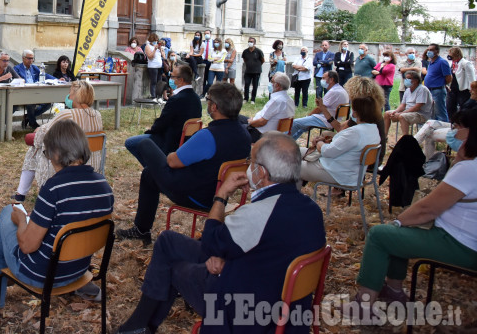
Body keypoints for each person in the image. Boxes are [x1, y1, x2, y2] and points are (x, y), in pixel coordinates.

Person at [115, 133, 326, 334]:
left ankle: (138, 325)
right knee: (167, 241)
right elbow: (268, 249)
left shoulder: (260, 213)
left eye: (250, 161)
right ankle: (140, 325)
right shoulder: (312, 209)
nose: (248, 166)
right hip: (278, 299)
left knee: (173, 267)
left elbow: (210, 243)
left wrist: (222, 194)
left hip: (241, 307)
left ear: (261, 173)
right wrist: (224, 254)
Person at [0, 120, 114, 323]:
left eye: (46, 153)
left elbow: (28, 245)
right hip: (79, 270)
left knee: (6, 213)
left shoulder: (54, 189)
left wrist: (21, 221)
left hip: (42, 275)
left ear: (55, 153)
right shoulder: (104, 185)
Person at [354, 108, 477, 311]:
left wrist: (400, 220)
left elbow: (428, 209)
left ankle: (363, 305)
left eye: (457, 128)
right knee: (399, 233)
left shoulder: (468, 169)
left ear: (471, 132)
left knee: (379, 235)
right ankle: (394, 291)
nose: (452, 132)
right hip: (466, 239)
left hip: (459, 243)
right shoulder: (470, 165)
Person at [116, 83, 251, 244]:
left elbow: (173, 162)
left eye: (208, 100)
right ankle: (141, 230)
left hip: (193, 194)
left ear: (214, 107)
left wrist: (173, 154)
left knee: (145, 144)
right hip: (219, 195)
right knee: (148, 175)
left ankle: (141, 230)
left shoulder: (208, 136)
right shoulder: (244, 134)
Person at [13, 80, 103, 201]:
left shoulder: (67, 114)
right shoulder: (97, 115)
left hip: (67, 163)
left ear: (76, 95)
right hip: (93, 163)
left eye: (70, 93)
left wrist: (37, 132)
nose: (68, 96)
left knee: (34, 149)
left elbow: (43, 135)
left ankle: (21, 193)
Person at [125, 65, 202, 167]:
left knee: (130, 142)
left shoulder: (176, 99)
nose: (170, 78)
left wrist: (149, 131)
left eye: (172, 76)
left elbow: (162, 123)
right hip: (186, 141)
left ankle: (154, 170)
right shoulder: (196, 98)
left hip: (170, 140)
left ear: (180, 80)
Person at [299, 96, 381, 187]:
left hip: (336, 172)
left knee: (289, 166)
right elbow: (344, 143)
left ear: (356, 113)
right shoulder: (374, 129)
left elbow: (327, 152)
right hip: (349, 171)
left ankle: (292, 195)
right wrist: (325, 140)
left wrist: (319, 142)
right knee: (295, 151)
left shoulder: (355, 133)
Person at [415, 80, 477, 158]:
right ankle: (412, 144)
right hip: (456, 126)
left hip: (463, 131)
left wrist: (471, 100)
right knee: (430, 122)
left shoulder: (473, 104)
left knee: (428, 134)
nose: (470, 91)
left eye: (473, 89)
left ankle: (422, 157)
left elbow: (463, 116)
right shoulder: (472, 102)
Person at [290, 70, 349, 140]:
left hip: (327, 119)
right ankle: (290, 143)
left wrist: (308, 116)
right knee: (302, 126)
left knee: (295, 123)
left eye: (324, 78)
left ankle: (283, 142)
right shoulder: (340, 89)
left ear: (331, 80)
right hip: (334, 119)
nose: (321, 80)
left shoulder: (334, 91)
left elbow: (320, 108)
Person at [246, 72, 295, 143]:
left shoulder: (277, 100)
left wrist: (251, 122)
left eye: (272, 81)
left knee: (235, 124)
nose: (270, 83)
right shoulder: (290, 100)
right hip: (275, 133)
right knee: (239, 118)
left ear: (277, 85)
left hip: (260, 133)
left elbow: (261, 122)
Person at [13, 49, 56, 129]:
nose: (31, 60)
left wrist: (56, 79)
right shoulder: (17, 68)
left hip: (36, 91)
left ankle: (28, 117)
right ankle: (33, 123)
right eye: (29, 58)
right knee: (31, 103)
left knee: (48, 103)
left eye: (32, 58)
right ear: (23, 58)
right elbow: (15, 80)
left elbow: (44, 75)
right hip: (23, 93)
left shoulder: (34, 68)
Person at [384, 70, 433, 137]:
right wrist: (396, 111)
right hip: (408, 112)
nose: (406, 80)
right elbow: (403, 105)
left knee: (402, 116)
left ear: (416, 80)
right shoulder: (407, 90)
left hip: (420, 114)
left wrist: (402, 113)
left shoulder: (422, 89)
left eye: (409, 78)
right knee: (387, 114)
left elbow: (417, 106)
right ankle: (384, 137)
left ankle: (405, 141)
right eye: (406, 78)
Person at [423, 43, 452, 122]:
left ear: (437, 51)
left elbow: (448, 77)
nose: (429, 52)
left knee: (440, 112)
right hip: (429, 90)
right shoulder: (431, 62)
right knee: (432, 113)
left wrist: (442, 84)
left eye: (431, 50)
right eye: (428, 50)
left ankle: (444, 131)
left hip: (438, 90)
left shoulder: (442, 62)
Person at [447, 46, 476, 120]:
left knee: (463, 109)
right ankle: (453, 123)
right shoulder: (453, 64)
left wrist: (472, 90)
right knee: (450, 107)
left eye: (450, 53)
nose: (449, 56)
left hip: (463, 90)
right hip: (453, 89)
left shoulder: (465, 63)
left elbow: (471, 78)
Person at [241, 37, 265, 104]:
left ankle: (253, 99)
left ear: (254, 43)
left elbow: (263, 60)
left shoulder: (258, 51)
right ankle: (246, 98)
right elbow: (245, 60)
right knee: (246, 84)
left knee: (255, 85)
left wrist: (257, 65)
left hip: (256, 71)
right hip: (248, 71)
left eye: (251, 41)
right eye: (249, 41)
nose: (250, 43)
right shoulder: (245, 51)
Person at [144, 32, 164, 100]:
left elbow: (163, 56)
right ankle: (153, 96)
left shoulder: (158, 47)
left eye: (156, 40)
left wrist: (160, 49)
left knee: (160, 82)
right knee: (154, 82)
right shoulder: (148, 46)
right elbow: (150, 56)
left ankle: (159, 97)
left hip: (159, 66)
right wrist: (155, 49)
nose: (155, 42)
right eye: (154, 40)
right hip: (153, 66)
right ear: (150, 40)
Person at [200, 29, 215, 96]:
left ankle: (209, 93)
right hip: (203, 61)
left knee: (210, 80)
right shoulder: (202, 42)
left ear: (210, 34)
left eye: (208, 33)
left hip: (211, 62)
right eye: (205, 33)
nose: (206, 35)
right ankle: (203, 93)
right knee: (203, 78)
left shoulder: (214, 42)